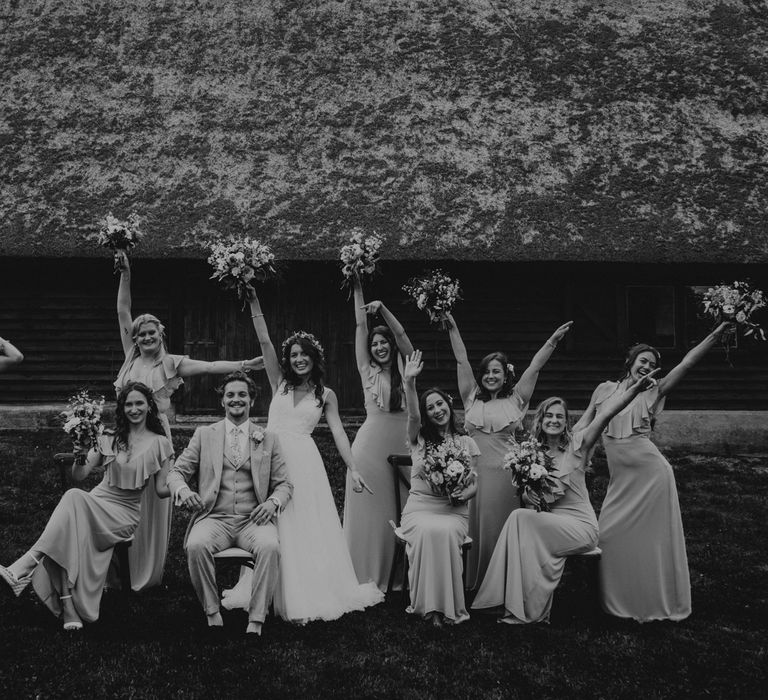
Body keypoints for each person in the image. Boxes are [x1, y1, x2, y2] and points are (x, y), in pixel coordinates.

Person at [221, 289, 384, 623]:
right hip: (269, 457)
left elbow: (338, 432)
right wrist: (253, 298)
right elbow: (265, 341)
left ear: (314, 358)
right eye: (294, 354)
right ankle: (263, 586)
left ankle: (306, 590)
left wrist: (352, 468)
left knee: (305, 526)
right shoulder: (278, 381)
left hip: (305, 464)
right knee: (270, 523)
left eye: (304, 354)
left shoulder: (326, 395)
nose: (299, 359)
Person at [114, 250, 263, 591]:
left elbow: (210, 367)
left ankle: (146, 570)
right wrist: (126, 272)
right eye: (141, 334)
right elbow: (123, 310)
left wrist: (245, 365)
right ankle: (115, 564)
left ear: (160, 335)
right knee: (122, 494)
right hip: (125, 433)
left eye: (152, 333)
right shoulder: (129, 358)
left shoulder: (172, 363)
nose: (146, 338)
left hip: (154, 435)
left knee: (152, 499)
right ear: (135, 338)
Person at [472, 371, 660, 624]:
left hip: (581, 527)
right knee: (521, 521)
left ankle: (513, 606)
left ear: (566, 422)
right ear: (541, 419)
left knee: (519, 520)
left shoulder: (578, 445)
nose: (554, 420)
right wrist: (529, 494)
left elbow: (605, 414)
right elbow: (530, 500)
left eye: (559, 416)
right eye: (549, 415)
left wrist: (634, 390)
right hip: (550, 525)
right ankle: (512, 604)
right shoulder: (531, 454)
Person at [578, 323, 733, 621]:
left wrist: (718, 331)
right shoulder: (604, 389)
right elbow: (585, 424)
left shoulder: (656, 391)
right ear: (630, 362)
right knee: (608, 534)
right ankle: (616, 599)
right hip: (620, 480)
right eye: (643, 361)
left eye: (652, 364)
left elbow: (688, 361)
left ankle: (649, 600)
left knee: (651, 540)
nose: (647, 367)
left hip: (652, 476)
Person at [0, 382, 172, 630]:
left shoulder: (160, 443)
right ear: (122, 408)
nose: (134, 409)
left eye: (139, 403)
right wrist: (80, 452)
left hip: (123, 514)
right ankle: (68, 607)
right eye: (128, 404)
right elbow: (80, 475)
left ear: (149, 406)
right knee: (72, 508)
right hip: (98, 501)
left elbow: (162, 489)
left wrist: (182, 486)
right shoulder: (109, 438)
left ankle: (25, 566)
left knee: (72, 500)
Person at [443, 311, 572, 589]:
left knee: (504, 529)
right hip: (475, 478)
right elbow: (461, 359)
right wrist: (451, 324)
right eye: (487, 372)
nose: (490, 376)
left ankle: (505, 584)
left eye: (496, 372)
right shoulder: (469, 397)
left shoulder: (517, 400)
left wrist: (551, 341)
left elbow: (534, 368)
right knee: (476, 529)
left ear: (505, 376)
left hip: (506, 480)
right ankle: (472, 583)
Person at [166, 371, 292, 636]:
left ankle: (256, 620)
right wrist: (183, 490)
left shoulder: (268, 437)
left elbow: (284, 484)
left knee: (270, 546)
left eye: (242, 395)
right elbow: (175, 473)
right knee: (196, 545)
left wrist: (271, 502)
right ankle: (212, 612)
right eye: (230, 395)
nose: (236, 400)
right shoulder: (204, 434)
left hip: (253, 521)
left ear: (252, 401)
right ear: (222, 401)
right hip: (215, 518)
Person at [399, 350, 480, 626]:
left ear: (448, 403)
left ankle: (447, 608)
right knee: (427, 531)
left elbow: (474, 484)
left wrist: (467, 493)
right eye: (430, 407)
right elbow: (411, 416)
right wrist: (409, 383)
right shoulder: (419, 438)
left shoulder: (466, 442)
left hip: (453, 511)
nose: (436, 410)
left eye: (440, 403)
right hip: (420, 509)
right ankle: (428, 608)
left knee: (444, 531)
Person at [343, 275, 414, 590]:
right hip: (370, 450)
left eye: (384, 343)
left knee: (404, 506)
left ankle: (401, 575)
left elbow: (401, 334)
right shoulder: (366, 371)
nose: (380, 346)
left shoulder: (405, 368)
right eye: (375, 344)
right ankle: (363, 573)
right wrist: (357, 283)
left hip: (405, 443)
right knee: (371, 512)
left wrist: (383, 307)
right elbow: (360, 326)